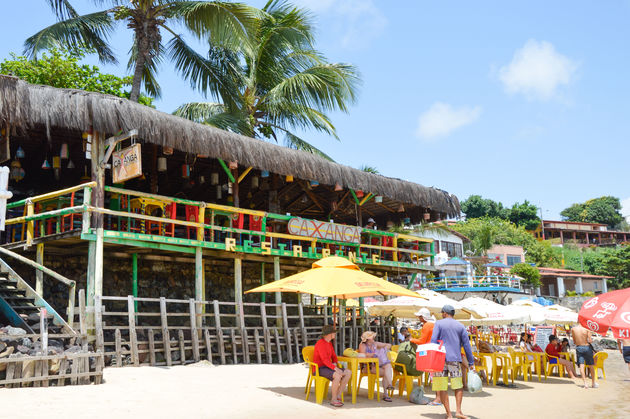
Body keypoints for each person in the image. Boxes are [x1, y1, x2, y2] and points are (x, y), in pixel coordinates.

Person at [430, 304, 475, 419]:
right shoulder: (460, 326)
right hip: (455, 359)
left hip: (440, 359)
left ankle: (449, 414)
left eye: (442, 313)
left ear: (445, 313)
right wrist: (471, 362)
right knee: (458, 385)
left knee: (442, 386)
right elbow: (467, 345)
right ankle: (458, 411)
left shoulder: (439, 323)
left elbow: (433, 341)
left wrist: (431, 359)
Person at [313, 325, 352, 407]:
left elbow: (334, 356)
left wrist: (335, 363)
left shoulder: (329, 343)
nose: (335, 334)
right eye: (334, 332)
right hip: (319, 368)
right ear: (329, 334)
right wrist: (335, 368)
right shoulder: (320, 343)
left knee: (348, 372)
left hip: (327, 367)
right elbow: (324, 360)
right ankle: (333, 400)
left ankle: (338, 395)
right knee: (337, 375)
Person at [410, 308, 440, 406]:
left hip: (430, 351)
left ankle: (438, 399)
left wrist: (412, 340)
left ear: (423, 317)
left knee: (434, 376)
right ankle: (439, 398)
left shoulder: (427, 325)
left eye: (419, 316)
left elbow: (422, 341)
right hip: (437, 350)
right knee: (437, 375)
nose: (418, 318)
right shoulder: (435, 324)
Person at [358, 331, 394, 402]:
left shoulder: (375, 344)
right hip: (368, 367)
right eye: (372, 336)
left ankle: (389, 385)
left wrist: (385, 348)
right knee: (386, 372)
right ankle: (386, 393)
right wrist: (375, 353)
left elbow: (389, 344)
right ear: (367, 338)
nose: (374, 338)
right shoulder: (362, 345)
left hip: (377, 365)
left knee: (388, 366)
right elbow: (363, 355)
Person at [571, 323, 598, 388]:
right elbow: (590, 340)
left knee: (581, 366)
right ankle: (593, 383)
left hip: (579, 348)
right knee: (591, 365)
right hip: (586, 347)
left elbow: (574, 341)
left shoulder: (573, 329)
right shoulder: (587, 329)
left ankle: (585, 384)